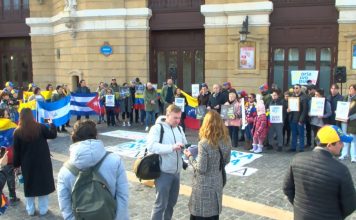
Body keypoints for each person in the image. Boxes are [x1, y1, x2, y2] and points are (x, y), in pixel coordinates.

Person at [57, 120, 129, 220]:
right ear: (96, 136)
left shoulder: (65, 171)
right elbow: (123, 196)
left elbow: (65, 206)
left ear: (73, 138)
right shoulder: (115, 161)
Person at [283, 125, 356, 220]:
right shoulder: (341, 170)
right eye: (340, 142)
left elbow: (287, 188)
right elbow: (350, 205)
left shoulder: (297, 159)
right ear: (329, 145)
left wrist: (300, 208)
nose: (342, 145)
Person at [183, 110, 231, 220]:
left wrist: (190, 156)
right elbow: (227, 160)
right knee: (214, 214)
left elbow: (201, 168)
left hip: (203, 186)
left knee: (201, 213)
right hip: (217, 182)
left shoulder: (204, 143)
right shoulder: (227, 139)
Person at [146, 104, 188, 220]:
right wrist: (172, 147)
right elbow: (151, 146)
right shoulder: (157, 128)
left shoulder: (179, 128)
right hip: (163, 172)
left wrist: (187, 149)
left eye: (179, 118)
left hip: (177, 172)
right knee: (160, 204)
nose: (178, 121)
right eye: (175, 118)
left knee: (171, 204)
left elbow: (184, 143)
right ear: (167, 115)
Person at [13, 108, 57, 216]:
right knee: (43, 185)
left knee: (29, 185)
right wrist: (51, 123)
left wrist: (16, 165)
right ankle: (43, 209)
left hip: (27, 163)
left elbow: (16, 151)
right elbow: (52, 135)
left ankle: (30, 210)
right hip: (42, 161)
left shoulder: (17, 131)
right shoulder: (40, 127)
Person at [287, 84, 308, 152]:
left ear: (300, 88)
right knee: (293, 134)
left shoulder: (304, 97)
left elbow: (305, 110)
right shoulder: (292, 97)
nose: (295, 89)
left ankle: (301, 148)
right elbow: (289, 108)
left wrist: (301, 120)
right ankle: (293, 147)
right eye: (294, 88)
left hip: (299, 119)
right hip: (292, 119)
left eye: (297, 88)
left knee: (301, 134)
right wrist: (288, 110)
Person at [339, 84, 356, 162]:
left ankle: (353, 156)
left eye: (351, 88)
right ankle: (344, 154)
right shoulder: (345, 97)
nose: (350, 90)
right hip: (344, 121)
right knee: (345, 137)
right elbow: (341, 107)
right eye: (349, 88)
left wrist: (349, 118)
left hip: (353, 122)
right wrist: (338, 112)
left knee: (352, 139)